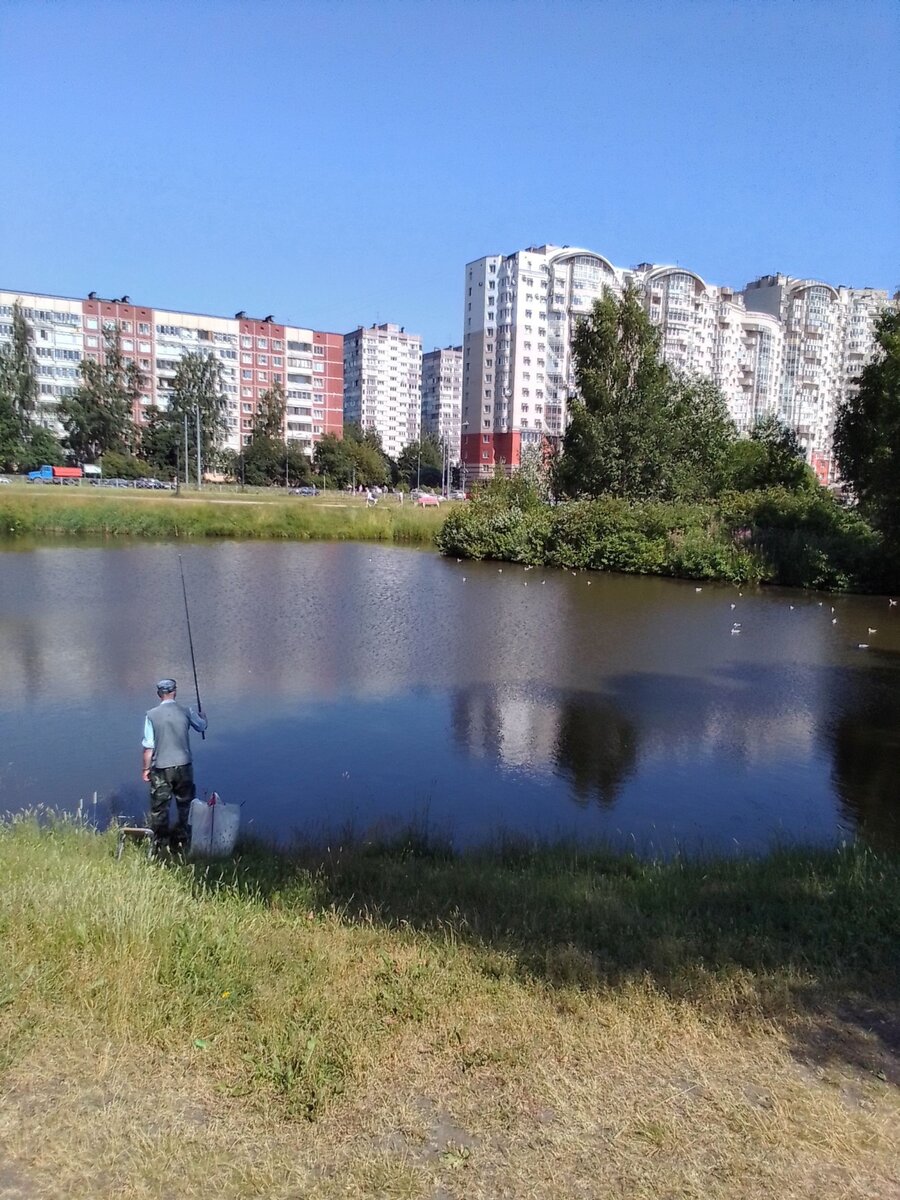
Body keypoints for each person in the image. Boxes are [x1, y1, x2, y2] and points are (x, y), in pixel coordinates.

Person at [141, 678, 208, 853]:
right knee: (185, 804)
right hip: (184, 766)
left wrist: (146, 769)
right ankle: (182, 840)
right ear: (175, 692)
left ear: (159, 694)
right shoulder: (186, 711)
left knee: (159, 807)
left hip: (161, 767)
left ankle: (160, 843)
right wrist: (203, 716)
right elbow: (201, 727)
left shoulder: (151, 715)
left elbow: (148, 747)